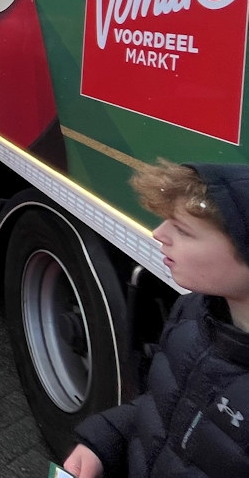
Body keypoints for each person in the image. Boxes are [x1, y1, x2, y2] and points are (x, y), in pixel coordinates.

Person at [64, 161, 249, 478]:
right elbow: (170, 407)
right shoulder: (193, 314)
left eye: (183, 230)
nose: (158, 233)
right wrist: (104, 440)